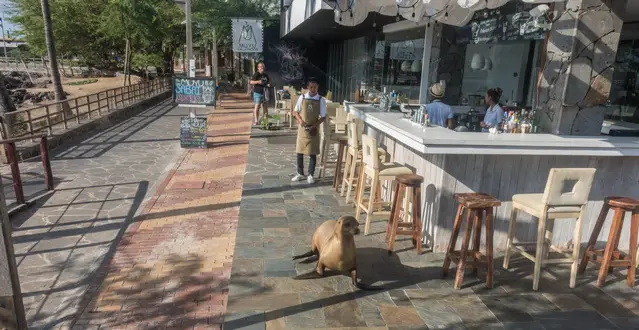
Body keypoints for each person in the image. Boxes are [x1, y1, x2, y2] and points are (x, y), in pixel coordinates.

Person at [291, 78, 326, 184]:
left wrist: (314, 126)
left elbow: (323, 117)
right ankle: (300, 173)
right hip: (303, 129)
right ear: (307, 87)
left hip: (313, 129)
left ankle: (311, 174)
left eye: (315, 87)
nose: (313, 89)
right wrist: (300, 121)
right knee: (299, 152)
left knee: (312, 153)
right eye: (311, 87)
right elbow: (296, 112)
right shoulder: (302, 97)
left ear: (317, 87)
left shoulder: (321, 100)